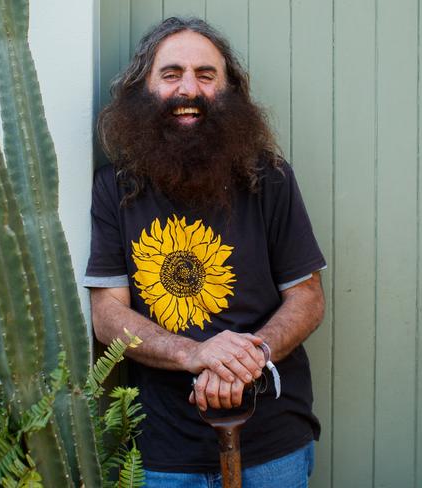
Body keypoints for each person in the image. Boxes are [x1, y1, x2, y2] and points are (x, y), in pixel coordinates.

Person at [84, 16, 326, 488]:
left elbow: (308, 297)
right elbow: (107, 316)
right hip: (159, 450)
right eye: (171, 74)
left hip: (272, 442)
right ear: (143, 87)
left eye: (206, 75)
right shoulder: (114, 189)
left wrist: (249, 357)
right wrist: (194, 353)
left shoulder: (271, 178)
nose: (188, 89)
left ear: (229, 88)